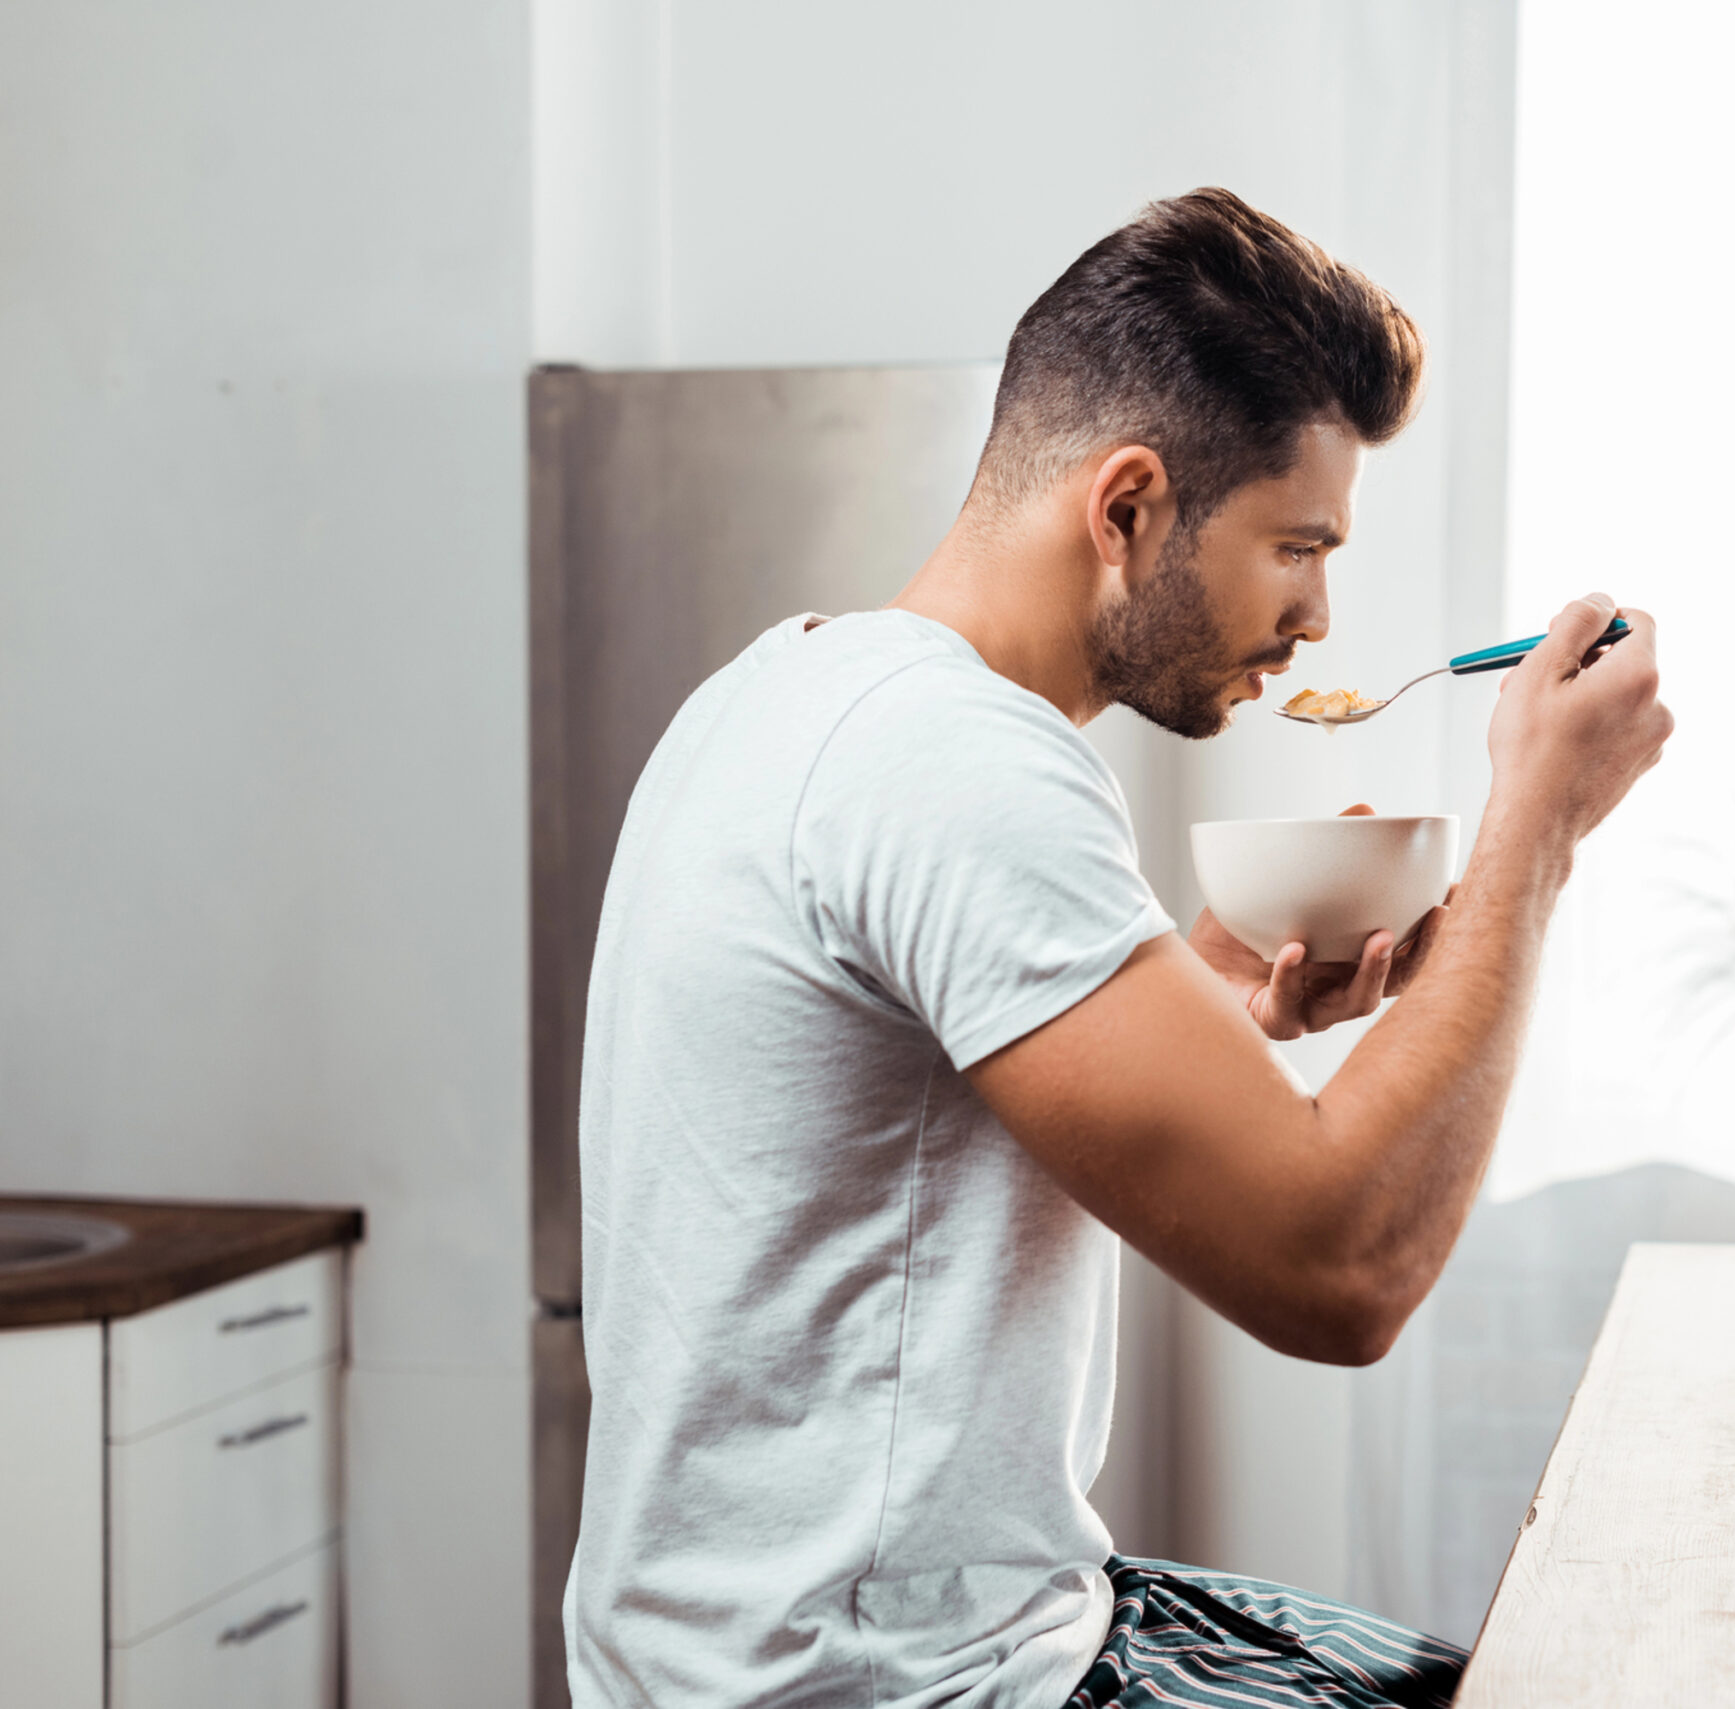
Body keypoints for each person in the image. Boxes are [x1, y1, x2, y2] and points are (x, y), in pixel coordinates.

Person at [566, 187, 1674, 1708]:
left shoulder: (776, 693)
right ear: (1130, 504)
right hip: (895, 1684)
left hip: (765, 1653)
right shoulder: (963, 765)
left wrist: (1209, 992)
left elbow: (890, 1116)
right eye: (1299, 545)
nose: (1318, 618)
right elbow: (1340, 1268)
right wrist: (1534, 830)